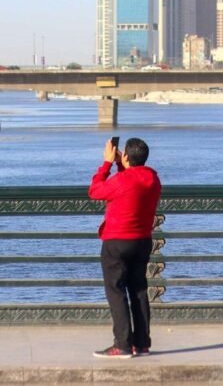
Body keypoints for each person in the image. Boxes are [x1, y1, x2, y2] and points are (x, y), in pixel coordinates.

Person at [88, 137, 162, 358]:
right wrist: (123, 164)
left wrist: (107, 163)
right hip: (142, 241)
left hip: (117, 242)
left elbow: (95, 191)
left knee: (116, 290)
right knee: (138, 290)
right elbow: (131, 183)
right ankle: (141, 343)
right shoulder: (153, 179)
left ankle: (122, 344)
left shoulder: (121, 180)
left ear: (127, 156)